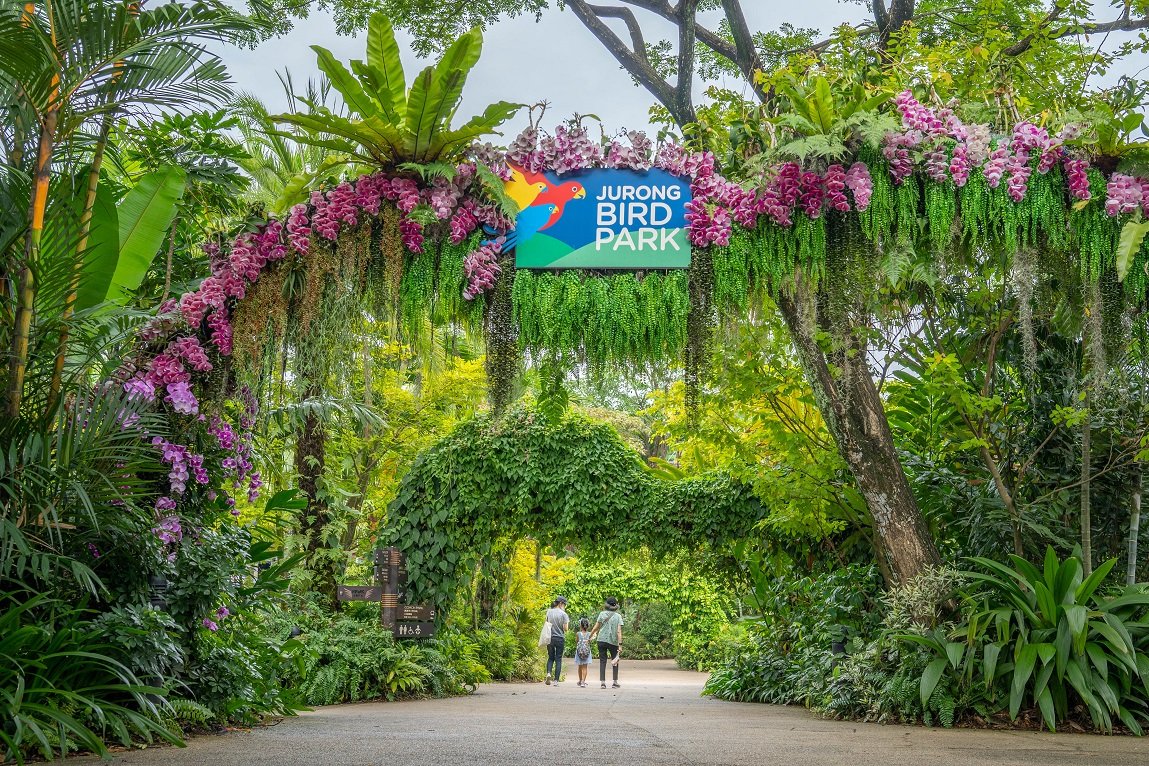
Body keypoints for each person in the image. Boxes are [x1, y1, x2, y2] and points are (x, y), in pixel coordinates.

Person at [588, 596, 623, 689]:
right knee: (615, 661)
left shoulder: (602, 614)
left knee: (602, 661)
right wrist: (620, 644)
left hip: (601, 640)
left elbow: (596, 627)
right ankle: (615, 682)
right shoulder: (618, 616)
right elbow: (619, 632)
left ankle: (603, 683)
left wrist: (590, 636)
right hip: (613, 642)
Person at [544, 596, 569, 685]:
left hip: (550, 638)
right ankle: (556, 681)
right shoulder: (563, 614)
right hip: (559, 638)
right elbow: (566, 629)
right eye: (564, 604)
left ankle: (548, 673)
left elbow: (546, 623)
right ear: (561, 603)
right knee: (558, 659)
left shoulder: (549, 611)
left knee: (550, 658)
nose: (565, 606)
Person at [572, 617, 593, 687]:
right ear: (588, 626)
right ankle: (583, 682)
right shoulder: (590, 634)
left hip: (579, 652)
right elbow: (590, 642)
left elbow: (577, 641)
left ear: (580, 625)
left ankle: (580, 680)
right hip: (586, 652)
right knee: (585, 667)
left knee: (579, 666)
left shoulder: (578, 633)